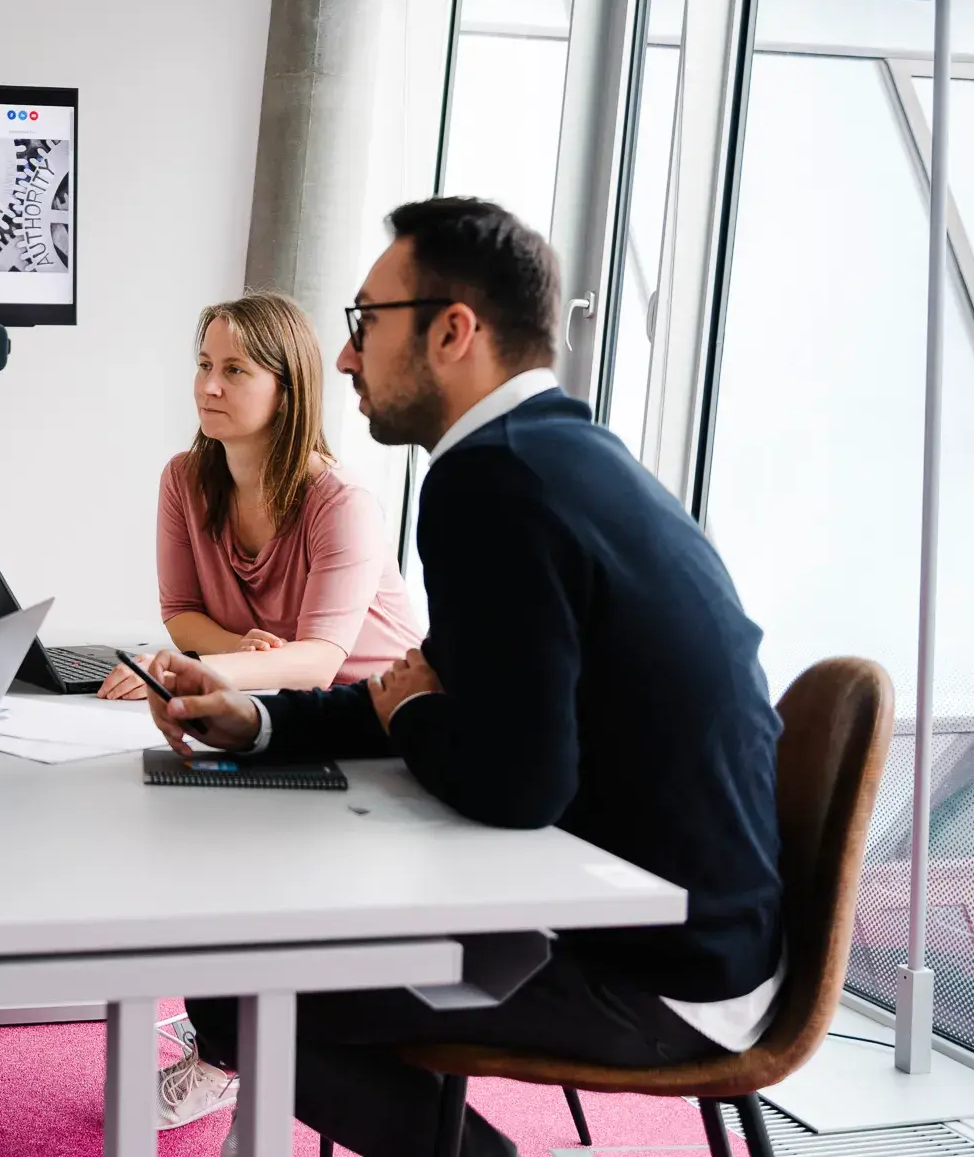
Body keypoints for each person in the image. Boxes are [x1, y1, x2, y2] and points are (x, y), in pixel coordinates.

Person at [144, 198, 784, 1157]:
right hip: (688, 925)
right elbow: (422, 682)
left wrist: (414, 717)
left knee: (240, 992)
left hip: (655, 964)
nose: (346, 357)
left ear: (452, 332)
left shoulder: (490, 481)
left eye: (366, 323)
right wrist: (264, 721)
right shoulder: (560, 455)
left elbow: (515, 785)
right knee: (257, 960)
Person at [97, 291, 421, 704]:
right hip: (278, 699)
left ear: (286, 391)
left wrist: (183, 673)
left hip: (382, 709)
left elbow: (318, 662)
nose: (208, 387)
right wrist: (240, 651)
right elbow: (181, 612)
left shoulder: (343, 503)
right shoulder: (182, 479)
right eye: (204, 366)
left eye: (234, 370)